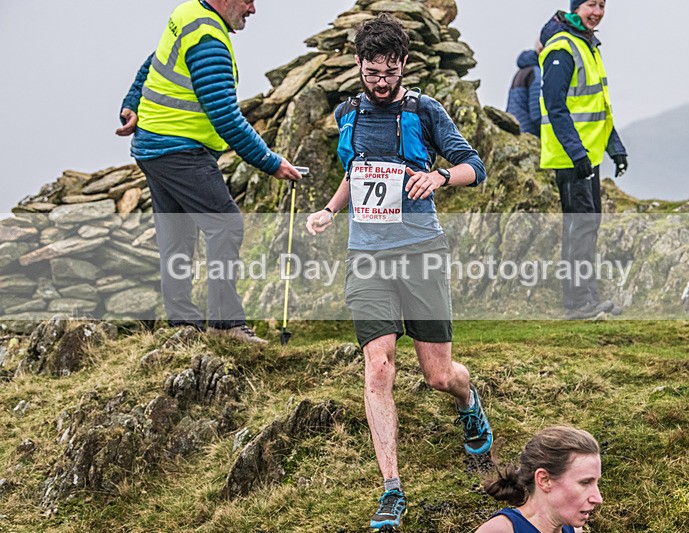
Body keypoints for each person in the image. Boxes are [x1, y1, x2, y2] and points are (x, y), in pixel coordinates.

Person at [305, 13, 493, 530]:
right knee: (379, 367)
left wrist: (439, 177)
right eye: (372, 72)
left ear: (404, 66)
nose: (380, 82)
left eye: (389, 72)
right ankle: (392, 489)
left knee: (438, 376)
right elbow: (355, 173)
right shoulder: (348, 113)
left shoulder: (425, 111)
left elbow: (474, 166)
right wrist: (329, 209)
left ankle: (469, 401)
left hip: (421, 252)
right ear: (360, 66)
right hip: (366, 257)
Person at [116, 0, 303, 342]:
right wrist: (272, 163)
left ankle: (184, 326)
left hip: (153, 147)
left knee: (178, 234)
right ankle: (226, 326)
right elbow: (226, 118)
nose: (253, 9)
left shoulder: (188, 14)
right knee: (225, 225)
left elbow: (152, 62)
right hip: (180, 150)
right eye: (248, 0)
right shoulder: (209, 42)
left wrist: (130, 102)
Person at [538, 0, 628, 320]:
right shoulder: (563, 48)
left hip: (587, 156)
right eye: (591, 4)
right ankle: (577, 303)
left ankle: (587, 297)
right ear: (577, 7)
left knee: (587, 225)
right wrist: (577, 153)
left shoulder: (588, 44)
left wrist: (615, 146)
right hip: (571, 157)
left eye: (602, 5)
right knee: (580, 227)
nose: (598, 12)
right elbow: (555, 106)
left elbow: (599, 105)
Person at [477, 426, 602, 533]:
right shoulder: (500, 530)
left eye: (596, 483)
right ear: (544, 480)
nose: (598, 499)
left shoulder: (573, 529)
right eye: (585, 483)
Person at [506, 42, 544, 136]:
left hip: (515, 130)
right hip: (529, 133)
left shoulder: (522, 71)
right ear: (541, 50)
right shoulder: (537, 73)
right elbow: (537, 113)